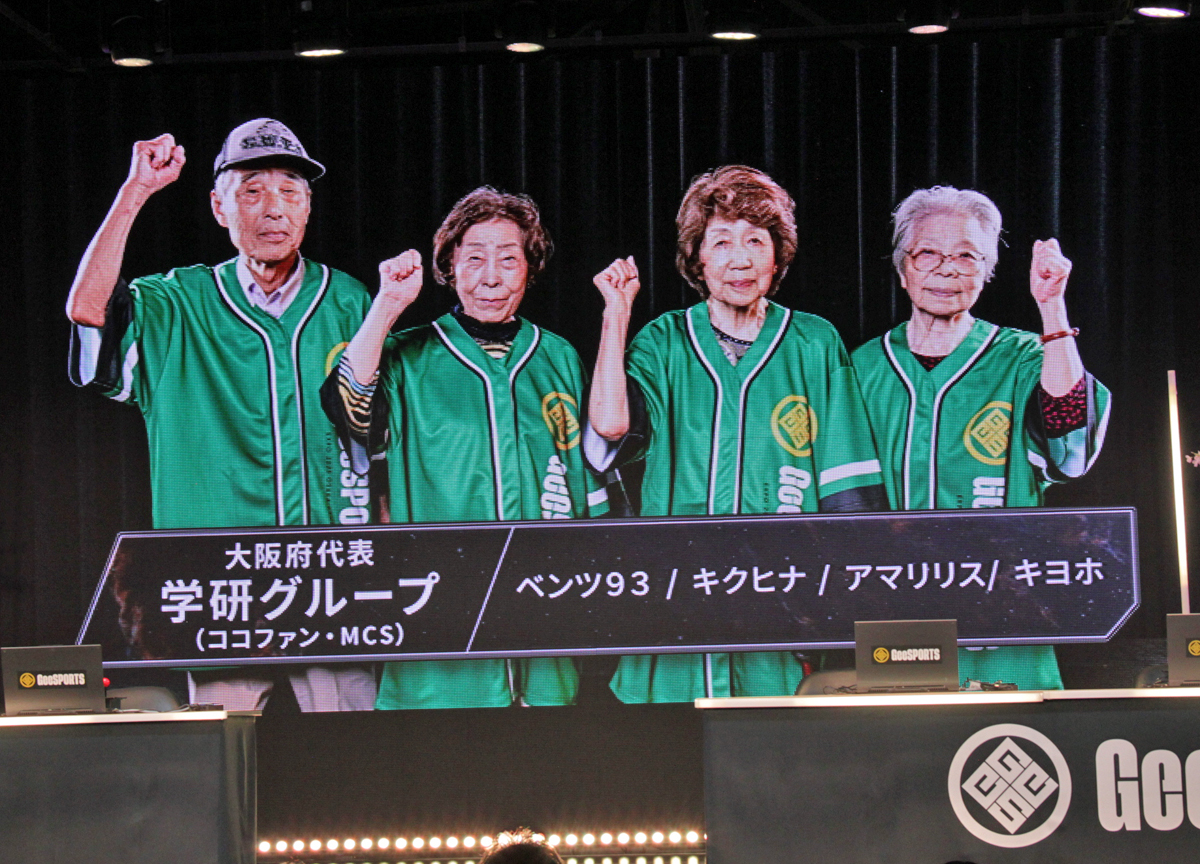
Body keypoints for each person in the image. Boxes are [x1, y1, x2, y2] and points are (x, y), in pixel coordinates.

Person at [66, 118, 377, 711]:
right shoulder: (176, 303)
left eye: (290, 190)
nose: (273, 207)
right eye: (252, 190)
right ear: (219, 207)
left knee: (354, 750)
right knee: (223, 750)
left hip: (330, 583)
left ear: (308, 207)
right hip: (219, 586)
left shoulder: (349, 300)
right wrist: (136, 191)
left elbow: (379, 442)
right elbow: (88, 310)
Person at [587, 165, 888, 703]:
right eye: (721, 241)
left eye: (755, 240)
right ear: (698, 258)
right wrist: (617, 314)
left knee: (772, 738)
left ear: (777, 255)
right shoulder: (663, 341)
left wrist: (830, 610)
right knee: (670, 739)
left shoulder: (814, 342)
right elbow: (610, 424)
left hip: (782, 594)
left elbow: (850, 499)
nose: (740, 259)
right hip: (678, 588)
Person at [324, 186, 607, 709]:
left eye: (508, 259)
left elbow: (585, 483)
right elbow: (348, 408)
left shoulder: (558, 357)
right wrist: (388, 304)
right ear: (450, 267)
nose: (491, 277)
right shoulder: (408, 355)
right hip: (439, 606)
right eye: (474, 259)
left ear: (530, 267)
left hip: (541, 607)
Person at [852, 185, 1111, 690]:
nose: (947, 270)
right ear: (903, 269)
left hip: (1003, 614)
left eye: (967, 256)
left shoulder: (1024, 356)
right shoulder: (860, 369)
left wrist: (1052, 308)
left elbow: (1070, 441)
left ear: (987, 271)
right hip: (892, 617)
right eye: (928, 253)